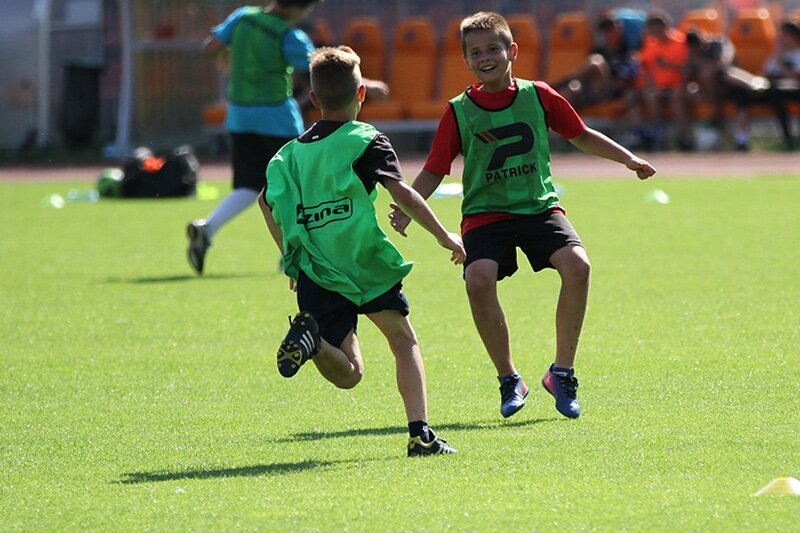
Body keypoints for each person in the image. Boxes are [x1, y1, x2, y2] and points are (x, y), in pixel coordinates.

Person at [388, 12, 656, 420]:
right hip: (485, 214)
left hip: (538, 207)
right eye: (475, 52)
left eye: (492, 49)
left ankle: (562, 373)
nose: (485, 57)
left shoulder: (539, 95)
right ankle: (509, 378)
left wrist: (628, 159)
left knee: (578, 266)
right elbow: (435, 168)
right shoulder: (459, 110)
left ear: (511, 51)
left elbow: (581, 134)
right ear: (466, 60)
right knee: (478, 281)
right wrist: (410, 207)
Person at [259, 45, 466, 456]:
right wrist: (444, 235)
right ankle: (420, 435)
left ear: (313, 98)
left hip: (316, 268)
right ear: (361, 94)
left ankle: (313, 342)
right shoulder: (366, 139)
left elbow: (265, 202)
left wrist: (291, 258)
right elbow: (403, 193)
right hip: (362, 260)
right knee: (402, 340)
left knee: (350, 374)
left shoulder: (287, 155)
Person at [187, 0, 388, 275]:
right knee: (300, 187)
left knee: (249, 185)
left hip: (240, 116)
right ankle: (294, 253)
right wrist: (368, 84)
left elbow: (210, 47)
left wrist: (232, 52)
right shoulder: (289, 36)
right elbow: (325, 71)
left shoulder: (243, 17)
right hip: (277, 120)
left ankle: (208, 228)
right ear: (298, 8)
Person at [729, 19, 800, 151]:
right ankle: (742, 139)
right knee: (740, 92)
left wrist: (781, 63)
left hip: (792, 89)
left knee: (777, 93)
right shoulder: (777, 55)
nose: (782, 39)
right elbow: (766, 74)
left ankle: (788, 140)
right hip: (771, 87)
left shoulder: (797, 53)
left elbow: (795, 77)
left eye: (785, 35)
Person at [553, 11, 641, 109]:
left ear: (619, 30)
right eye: (605, 31)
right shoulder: (599, 50)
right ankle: (553, 112)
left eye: (611, 30)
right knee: (573, 87)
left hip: (610, 91)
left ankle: (559, 84)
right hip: (592, 89)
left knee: (596, 62)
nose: (608, 34)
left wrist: (621, 80)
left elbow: (627, 78)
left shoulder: (627, 52)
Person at [633, 10, 692, 150]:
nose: (651, 32)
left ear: (663, 27)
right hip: (660, 87)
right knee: (651, 97)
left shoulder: (681, 42)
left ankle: (685, 138)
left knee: (676, 98)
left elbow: (689, 69)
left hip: (680, 86)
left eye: (653, 28)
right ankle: (659, 137)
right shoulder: (650, 45)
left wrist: (670, 65)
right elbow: (645, 67)